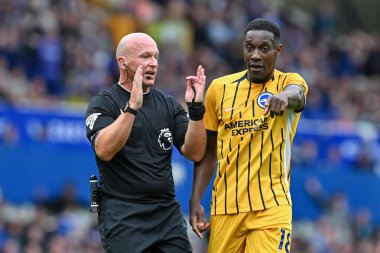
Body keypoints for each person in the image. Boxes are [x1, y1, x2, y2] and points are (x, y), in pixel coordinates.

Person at [189, 18, 308, 253]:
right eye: (249, 47)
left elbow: (298, 94)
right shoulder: (219, 89)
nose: (255, 55)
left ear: (278, 50)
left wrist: (284, 98)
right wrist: (195, 198)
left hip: (271, 206)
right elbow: (210, 150)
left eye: (264, 49)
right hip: (225, 207)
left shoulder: (288, 82)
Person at [85, 32, 206, 253]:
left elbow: (195, 153)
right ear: (123, 62)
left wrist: (196, 110)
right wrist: (132, 108)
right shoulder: (104, 102)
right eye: (145, 56)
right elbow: (104, 150)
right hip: (123, 214)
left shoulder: (168, 104)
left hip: (166, 212)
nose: (153, 63)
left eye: (156, 57)